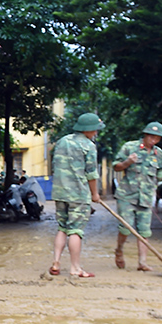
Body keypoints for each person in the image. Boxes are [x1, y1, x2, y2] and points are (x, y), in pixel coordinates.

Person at [112, 122, 162, 271]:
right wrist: (127, 162)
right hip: (127, 195)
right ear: (145, 135)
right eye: (151, 136)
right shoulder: (130, 147)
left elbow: (160, 172)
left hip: (145, 197)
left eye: (157, 138)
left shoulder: (158, 153)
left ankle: (142, 262)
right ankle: (119, 250)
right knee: (125, 228)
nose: (153, 140)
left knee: (144, 231)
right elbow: (116, 166)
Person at [49, 113, 103, 278]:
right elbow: (91, 174)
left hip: (59, 192)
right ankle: (75, 268)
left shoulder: (62, 141)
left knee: (62, 228)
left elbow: (54, 165)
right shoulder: (88, 146)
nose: (96, 133)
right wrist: (95, 194)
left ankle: (56, 263)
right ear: (89, 130)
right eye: (95, 130)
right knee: (75, 230)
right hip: (78, 195)